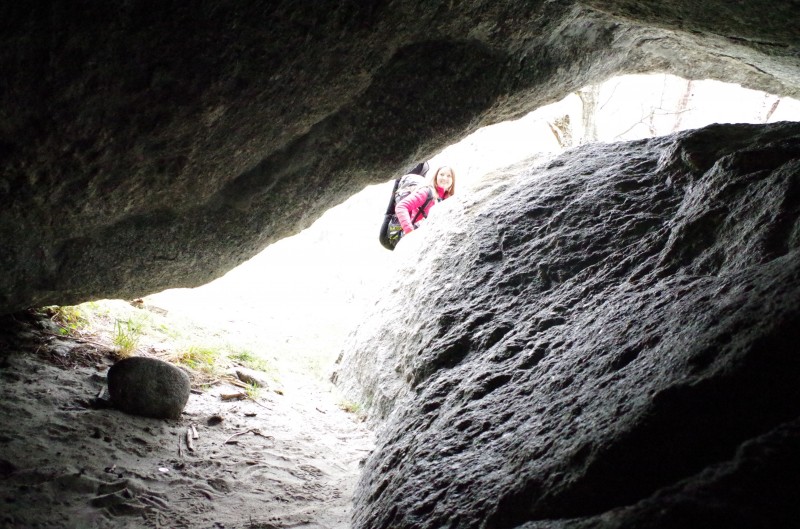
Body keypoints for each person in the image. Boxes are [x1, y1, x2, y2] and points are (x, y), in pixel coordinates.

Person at [395, 165, 456, 235]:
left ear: (453, 180)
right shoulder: (426, 192)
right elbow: (401, 207)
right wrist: (410, 233)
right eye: (442, 174)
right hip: (414, 234)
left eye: (449, 176)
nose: (445, 178)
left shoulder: (447, 200)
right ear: (436, 177)